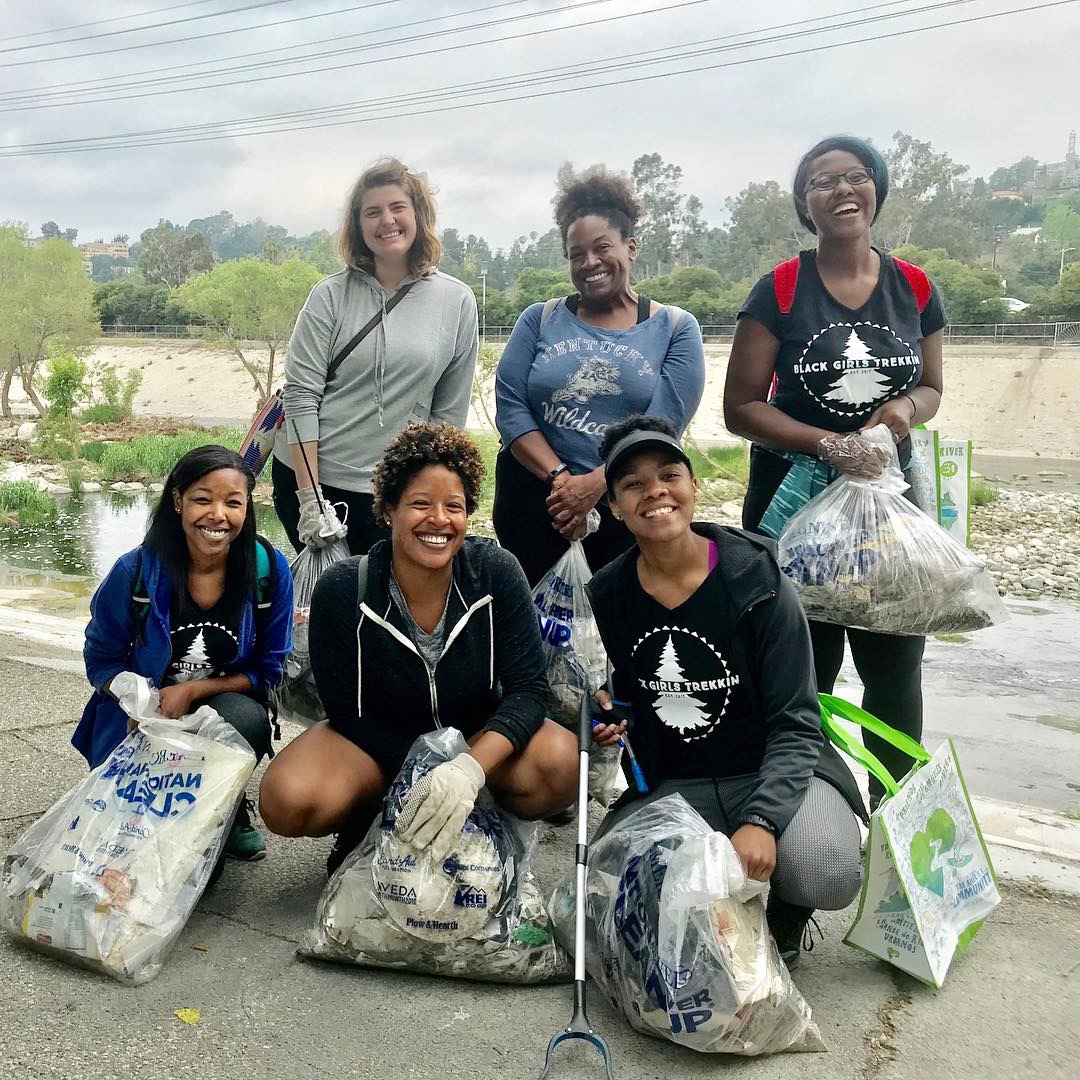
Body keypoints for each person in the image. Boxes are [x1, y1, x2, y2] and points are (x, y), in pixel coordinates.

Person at [587, 415, 865, 967]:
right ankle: (730, 898)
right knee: (607, 884)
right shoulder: (605, 595)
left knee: (825, 868)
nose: (655, 493)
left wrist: (762, 821)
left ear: (693, 487)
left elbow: (796, 720)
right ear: (615, 507)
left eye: (669, 475)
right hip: (677, 784)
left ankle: (783, 908)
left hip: (771, 772)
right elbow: (622, 703)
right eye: (634, 485)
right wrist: (610, 721)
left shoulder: (758, 579)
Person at [724, 135, 946, 809]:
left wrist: (903, 411)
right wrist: (828, 443)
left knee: (895, 668)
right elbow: (739, 408)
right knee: (803, 674)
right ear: (804, 204)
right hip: (797, 510)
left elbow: (933, 388)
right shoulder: (782, 289)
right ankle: (807, 816)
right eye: (823, 183)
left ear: (876, 189)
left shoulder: (914, 286)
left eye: (855, 178)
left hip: (888, 509)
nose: (843, 191)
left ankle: (890, 815)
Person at [259, 422, 578, 874]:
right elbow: (347, 713)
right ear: (389, 510)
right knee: (288, 798)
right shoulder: (344, 588)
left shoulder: (496, 572)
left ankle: (476, 809)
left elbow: (529, 691)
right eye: (420, 504)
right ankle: (373, 819)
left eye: (455, 507)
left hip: (474, 736)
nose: (439, 520)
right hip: (378, 746)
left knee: (562, 763)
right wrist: (422, 773)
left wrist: (467, 769)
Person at [77, 445, 293, 863]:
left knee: (245, 718)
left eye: (233, 502)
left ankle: (228, 808)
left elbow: (270, 668)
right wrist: (133, 696)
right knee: (125, 847)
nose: (218, 516)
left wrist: (194, 690)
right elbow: (100, 659)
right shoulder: (134, 572)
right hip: (141, 711)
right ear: (177, 501)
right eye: (202, 499)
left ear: (248, 506)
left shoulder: (268, 570)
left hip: (220, 704)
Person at [493, 168, 706, 585]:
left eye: (601, 248)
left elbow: (663, 427)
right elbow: (511, 408)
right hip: (535, 503)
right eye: (576, 254)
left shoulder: (676, 329)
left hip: (625, 504)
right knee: (535, 630)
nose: (589, 263)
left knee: (613, 627)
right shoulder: (540, 318)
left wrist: (597, 483)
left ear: (630, 247)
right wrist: (561, 481)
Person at [272, 157, 479, 557]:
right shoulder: (329, 296)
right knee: (325, 610)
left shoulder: (457, 301)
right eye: (373, 212)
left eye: (397, 207)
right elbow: (301, 396)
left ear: (418, 215)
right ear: (358, 224)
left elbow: (448, 418)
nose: (387, 220)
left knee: (387, 607)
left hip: (397, 491)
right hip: (314, 481)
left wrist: (434, 498)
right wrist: (311, 502)